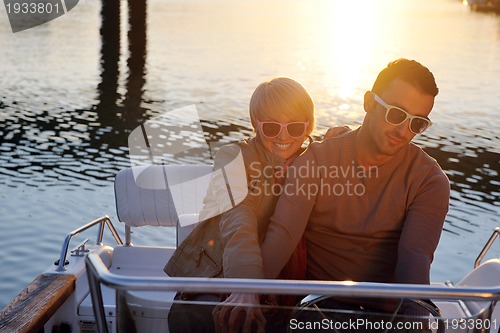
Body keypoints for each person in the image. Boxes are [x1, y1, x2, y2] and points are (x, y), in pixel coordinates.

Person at [214, 59, 450, 332]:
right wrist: (251, 291)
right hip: (316, 307)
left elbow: (416, 255)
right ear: (369, 102)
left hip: (386, 315)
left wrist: (415, 317)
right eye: (396, 114)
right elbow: (283, 234)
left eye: (417, 123)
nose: (403, 131)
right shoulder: (315, 159)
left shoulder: (430, 180)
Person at [166, 77, 328, 333]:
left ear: (308, 126)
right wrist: (245, 287)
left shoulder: (315, 159)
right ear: (256, 124)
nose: (284, 137)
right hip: (218, 276)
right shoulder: (232, 157)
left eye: (295, 127)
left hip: (289, 286)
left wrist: (342, 141)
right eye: (272, 128)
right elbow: (237, 219)